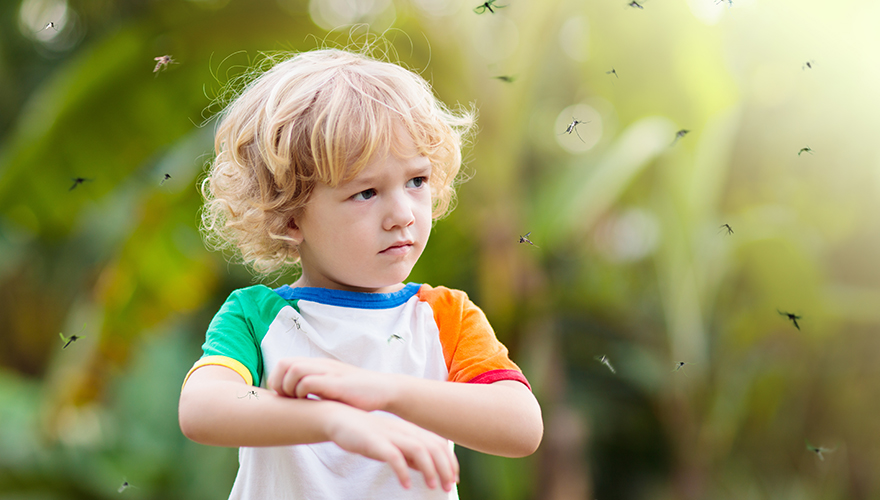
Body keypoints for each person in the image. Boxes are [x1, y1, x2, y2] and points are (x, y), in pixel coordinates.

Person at [178, 47, 543, 500]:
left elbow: (521, 425)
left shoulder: (446, 317)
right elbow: (201, 409)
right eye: (366, 192)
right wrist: (334, 419)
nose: (402, 215)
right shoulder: (256, 317)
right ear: (289, 218)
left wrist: (382, 391)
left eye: (416, 181)